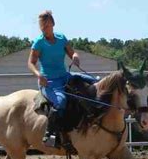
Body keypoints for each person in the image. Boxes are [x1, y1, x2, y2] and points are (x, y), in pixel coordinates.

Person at [28, 10, 97, 147]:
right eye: (42, 27)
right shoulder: (38, 43)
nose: (44, 29)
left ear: (53, 24)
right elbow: (30, 63)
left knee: (94, 82)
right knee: (61, 101)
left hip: (64, 76)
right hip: (49, 81)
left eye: (47, 26)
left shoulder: (61, 38)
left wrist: (75, 56)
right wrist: (38, 75)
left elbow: (72, 53)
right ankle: (51, 134)